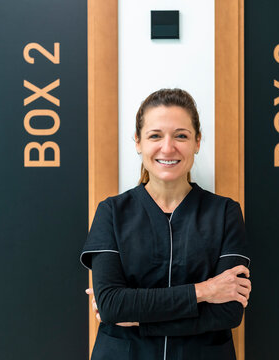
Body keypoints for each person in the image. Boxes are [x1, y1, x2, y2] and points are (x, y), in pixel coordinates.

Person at [80, 88, 251, 360]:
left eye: (181, 136)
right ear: (138, 142)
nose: (168, 148)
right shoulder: (111, 212)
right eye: (155, 136)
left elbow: (227, 312)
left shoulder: (225, 212)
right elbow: (112, 305)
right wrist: (204, 291)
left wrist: (137, 316)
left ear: (197, 142)